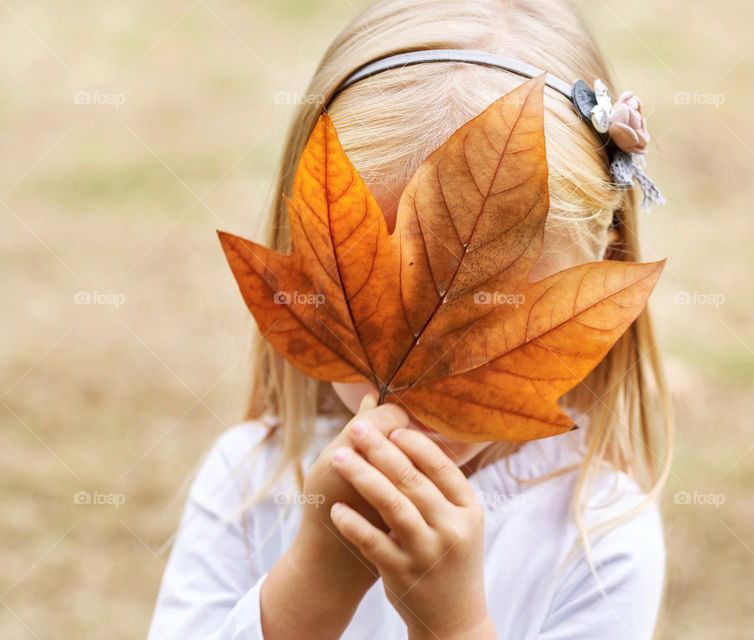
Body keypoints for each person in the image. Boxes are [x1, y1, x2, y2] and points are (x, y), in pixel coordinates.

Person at [148, 0, 673, 637]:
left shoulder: (602, 536)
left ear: (601, 273)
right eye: (376, 298)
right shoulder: (249, 479)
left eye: (488, 322)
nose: (418, 381)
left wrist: (452, 626)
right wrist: (314, 584)